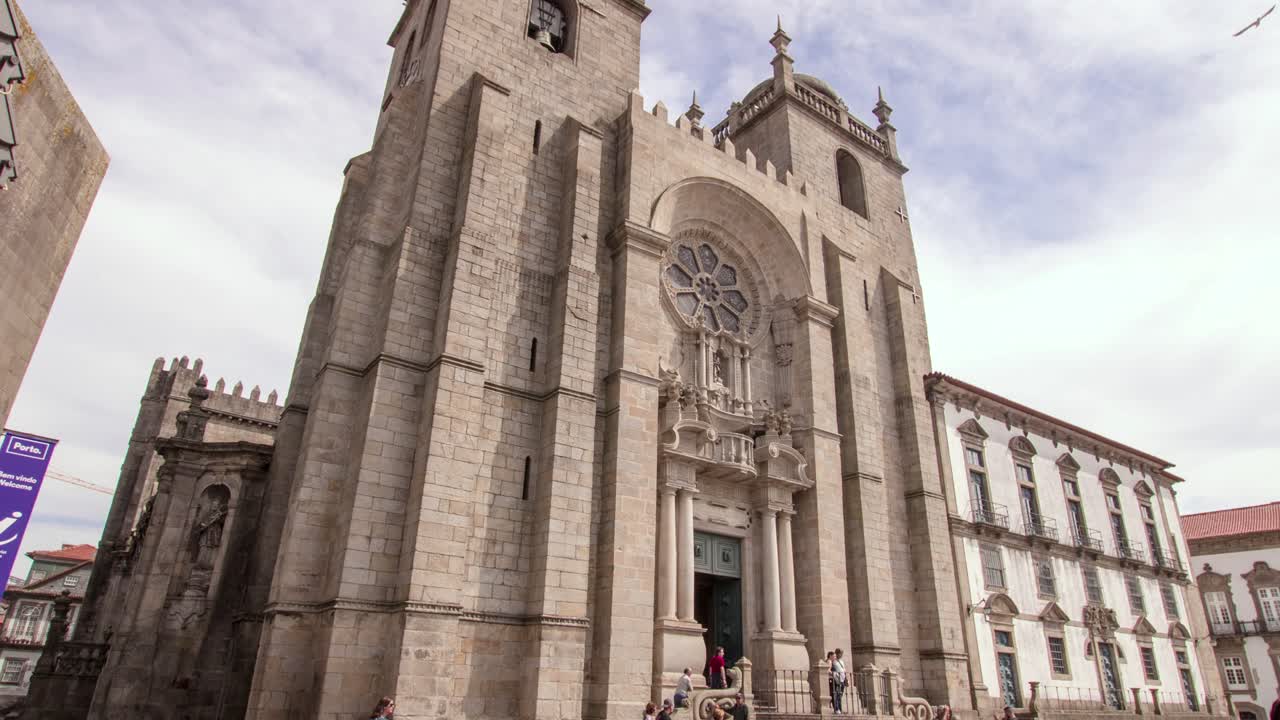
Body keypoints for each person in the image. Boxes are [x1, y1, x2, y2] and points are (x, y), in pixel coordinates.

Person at [831, 649, 847, 714]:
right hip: (837, 680)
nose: (841, 655)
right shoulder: (834, 662)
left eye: (842, 653)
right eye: (840, 653)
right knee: (837, 694)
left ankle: (840, 709)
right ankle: (837, 709)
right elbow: (832, 670)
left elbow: (844, 670)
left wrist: (846, 678)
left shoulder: (842, 662)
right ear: (837, 654)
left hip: (842, 680)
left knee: (840, 695)